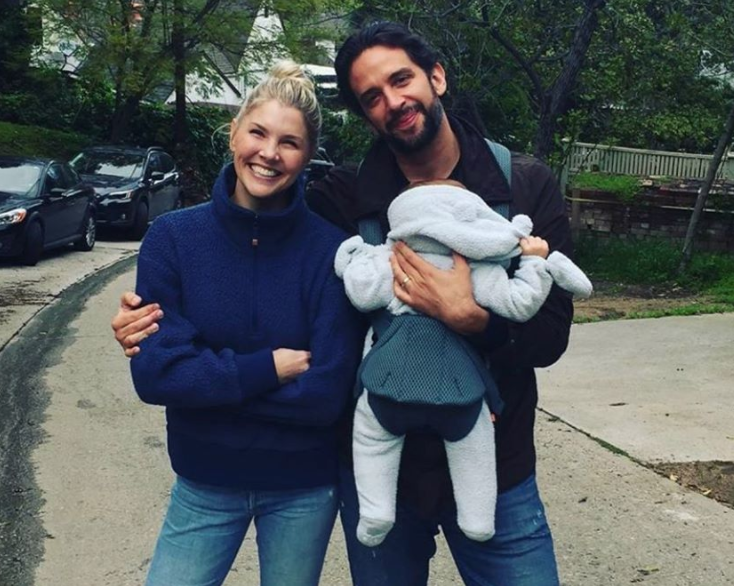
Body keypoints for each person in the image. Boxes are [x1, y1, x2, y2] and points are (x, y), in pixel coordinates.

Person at [114, 22, 574, 586]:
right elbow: (263, 241)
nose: (393, 103)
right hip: (383, 480)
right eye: (371, 98)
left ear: (437, 77)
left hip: (495, 468)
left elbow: (550, 338)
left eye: (401, 80)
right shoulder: (344, 202)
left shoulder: (523, 187)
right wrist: (150, 333)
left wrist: (474, 319)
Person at [125, 60, 364, 586]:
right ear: (234, 132)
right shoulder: (173, 239)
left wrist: (206, 382)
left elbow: (326, 393)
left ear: (307, 157)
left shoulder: (331, 252)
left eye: (289, 143)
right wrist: (268, 369)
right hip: (205, 480)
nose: (269, 154)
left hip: (304, 488)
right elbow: (156, 376)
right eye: (257, 132)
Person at [334, 179, 591, 547]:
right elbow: (520, 303)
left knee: (372, 439)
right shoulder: (477, 269)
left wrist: (354, 256)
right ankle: (478, 517)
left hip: (387, 385)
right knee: (474, 444)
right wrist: (533, 264)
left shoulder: (391, 258)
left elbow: (362, 294)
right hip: (461, 394)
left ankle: (375, 513)